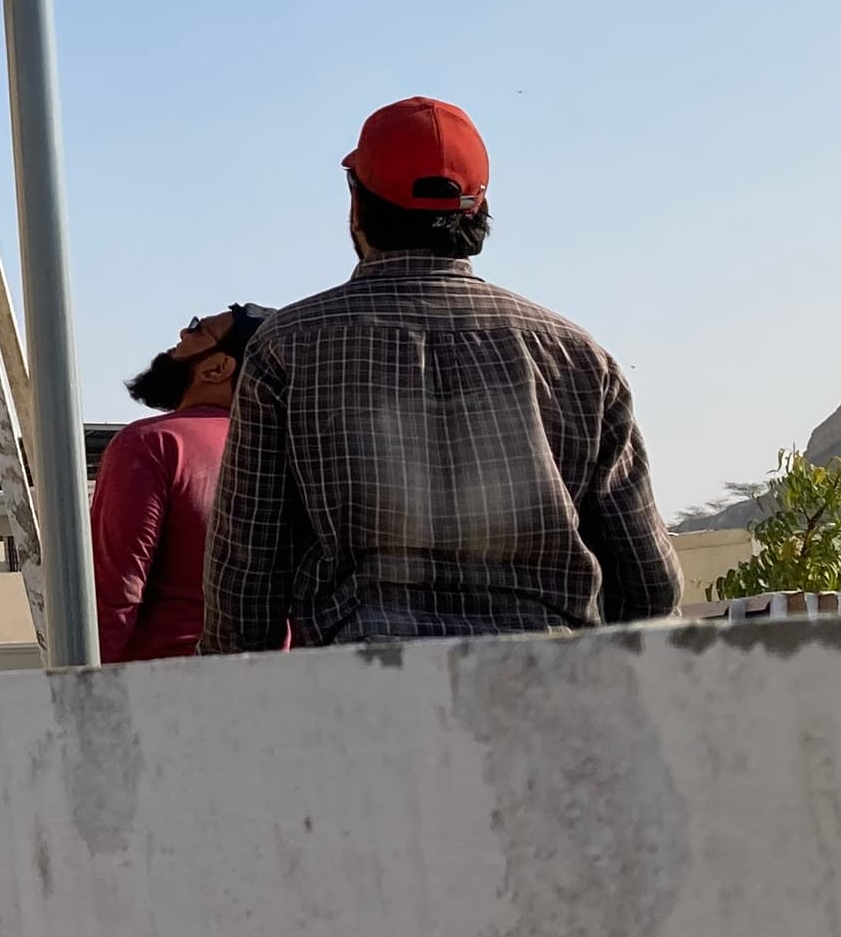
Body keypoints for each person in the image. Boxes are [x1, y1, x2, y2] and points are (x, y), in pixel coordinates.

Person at [202, 97, 678, 652]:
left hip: (361, 697)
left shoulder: (287, 347)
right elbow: (647, 582)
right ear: (478, 212)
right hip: (551, 693)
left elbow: (246, 575)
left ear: (356, 204)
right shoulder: (578, 357)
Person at [93, 305, 264, 661]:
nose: (182, 334)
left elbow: (114, 594)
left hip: (165, 688)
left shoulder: (152, 444)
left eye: (197, 329)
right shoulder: (284, 449)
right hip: (275, 684)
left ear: (218, 368)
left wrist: (79, 696)